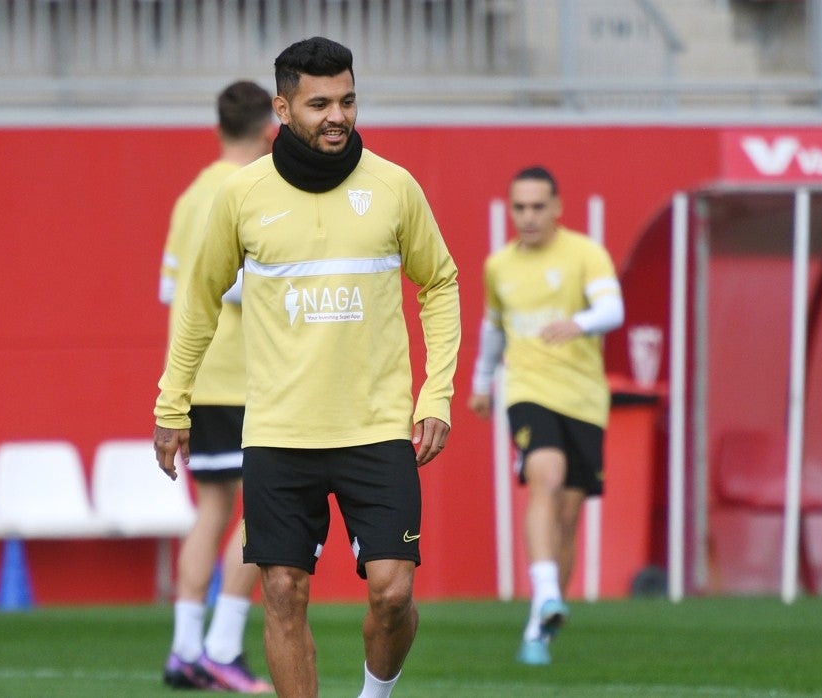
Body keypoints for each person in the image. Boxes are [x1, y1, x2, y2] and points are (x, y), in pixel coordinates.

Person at [153, 36, 460, 698]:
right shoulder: (240, 196)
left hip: (376, 428)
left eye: (347, 100)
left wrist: (436, 395)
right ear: (282, 107)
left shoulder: (394, 187)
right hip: (278, 433)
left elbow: (440, 284)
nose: (337, 116)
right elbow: (198, 300)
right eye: (320, 103)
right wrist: (172, 405)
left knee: (391, 591)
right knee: (284, 591)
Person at [468, 166, 624, 666]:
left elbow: (612, 310)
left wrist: (575, 323)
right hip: (528, 390)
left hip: (583, 399)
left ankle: (540, 626)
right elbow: (493, 327)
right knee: (546, 478)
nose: (528, 217)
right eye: (519, 207)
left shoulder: (584, 253)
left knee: (568, 515)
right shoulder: (499, 266)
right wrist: (480, 381)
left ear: (557, 207)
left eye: (537, 206)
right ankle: (545, 595)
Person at [159, 79, 276, 694]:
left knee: (212, 509)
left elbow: (169, 289)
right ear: (269, 131)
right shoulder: (246, 191)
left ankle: (185, 650)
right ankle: (223, 647)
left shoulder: (190, 196)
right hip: (242, 374)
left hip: (198, 376)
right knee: (269, 509)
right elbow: (228, 287)